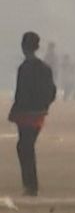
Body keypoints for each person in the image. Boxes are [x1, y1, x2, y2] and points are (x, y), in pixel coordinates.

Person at [9, 32, 56, 197]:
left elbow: (20, 93)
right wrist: (44, 106)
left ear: (23, 47)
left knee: (24, 147)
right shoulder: (45, 68)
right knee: (26, 146)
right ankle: (30, 185)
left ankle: (31, 185)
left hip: (25, 114)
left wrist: (15, 111)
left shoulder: (24, 68)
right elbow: (52, 91)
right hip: (39, 113)